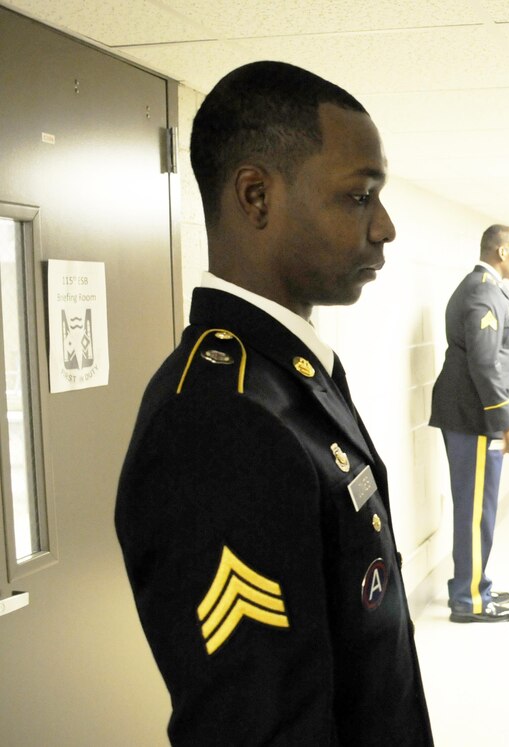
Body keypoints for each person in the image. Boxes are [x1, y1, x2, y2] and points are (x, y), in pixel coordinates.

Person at [114, 61, 433, 746]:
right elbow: (260, 724)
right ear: (255, 195)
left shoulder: (286, 376)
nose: (385, 227)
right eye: (359, 197)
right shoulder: (220, 422)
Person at [429, 225, 509, 622]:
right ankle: (469, 601)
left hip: (471, 414)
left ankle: (474, 586)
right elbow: (485, 363)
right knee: (474, 511)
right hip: (475, 418)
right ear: (501, 251)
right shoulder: (483, 291)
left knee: (476, 507)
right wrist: (507, 421)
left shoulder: (484, 287)